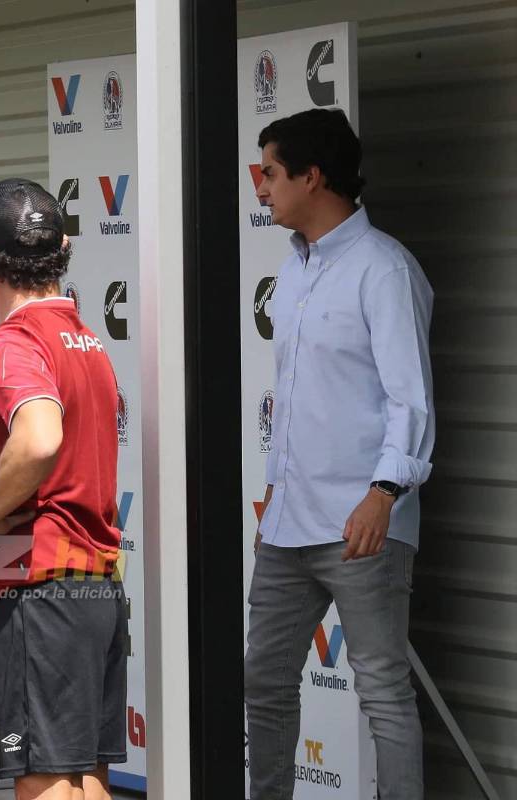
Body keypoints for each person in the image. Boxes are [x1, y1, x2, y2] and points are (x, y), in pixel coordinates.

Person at [244, 108, 434, 800]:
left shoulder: (383, 269)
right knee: (263, 684)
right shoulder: (293, 270)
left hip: (362, 526)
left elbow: (408, 399)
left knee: (383, 692)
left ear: (312, 176)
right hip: (288, 526)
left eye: (269, 173)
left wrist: (383, 493)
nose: (260, 188)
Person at [0, 179, 126, 800]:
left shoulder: (15, 342)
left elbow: (39, 436)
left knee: (46, 781)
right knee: (86, 776)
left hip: (38, 586)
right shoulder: (88, 341)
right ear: (65, 249)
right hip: (95, 584)